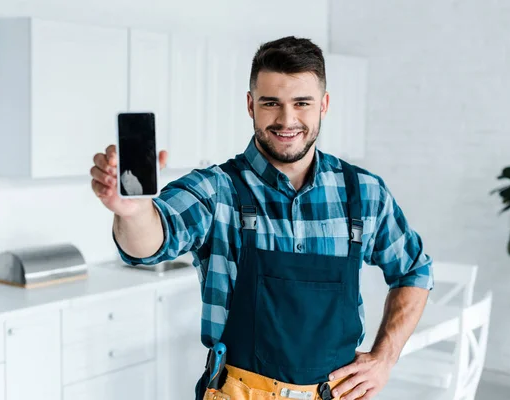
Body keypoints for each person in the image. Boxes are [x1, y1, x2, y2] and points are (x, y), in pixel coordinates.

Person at [90, 36, 433, 400]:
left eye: (302, 103)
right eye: (272, 103)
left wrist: (385, 357)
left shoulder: (363, 193)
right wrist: (134, 211)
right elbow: (150, 241)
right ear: (251, 105)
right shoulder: (217, 190)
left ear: (324, 105)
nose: (287, 120)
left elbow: (415, 270)